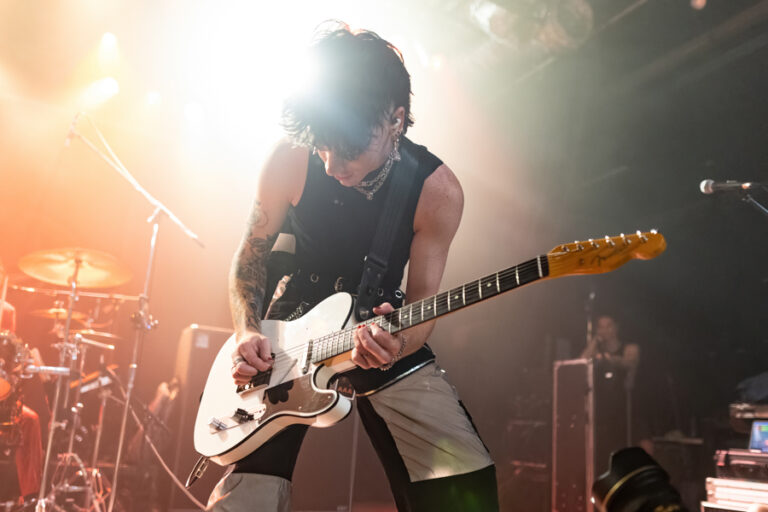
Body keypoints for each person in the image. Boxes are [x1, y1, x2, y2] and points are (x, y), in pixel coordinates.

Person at [208, 24, 498, 511]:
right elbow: (251, 252)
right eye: (323, 145)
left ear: (395, 120)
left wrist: (397, 344)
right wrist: (246, 331)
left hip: (380, 327)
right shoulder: (291, 157)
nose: (330, 165)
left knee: (463, 475)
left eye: (348, 150)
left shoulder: (437, 191)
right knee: (247, 492)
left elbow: (423, 304)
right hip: (289, 335)